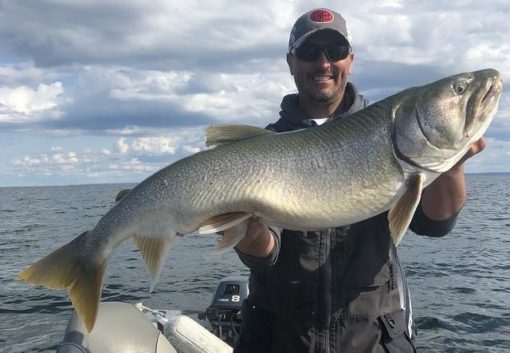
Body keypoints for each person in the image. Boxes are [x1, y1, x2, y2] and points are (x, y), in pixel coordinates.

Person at [233, 8, 486, 353]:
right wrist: (248, 235)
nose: (323, 63)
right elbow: (264, 254)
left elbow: (435, 224)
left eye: (335, 52)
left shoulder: (390, 131)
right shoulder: (262, 147)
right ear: (291, 62)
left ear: (350, 60)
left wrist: (451, 165)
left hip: (371, 338)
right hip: (280, 338)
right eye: (309, 53)